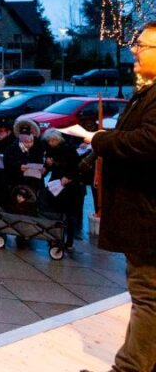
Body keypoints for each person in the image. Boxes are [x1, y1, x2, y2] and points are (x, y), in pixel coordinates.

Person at [86, 21, 156, 372]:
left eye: (141, 45)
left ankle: (129, 368)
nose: (134, 50)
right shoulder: (149, 92)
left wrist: (99, 140)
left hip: (148, 217)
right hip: (143, 213)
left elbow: (149, 142)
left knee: (148, 296)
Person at [41, 129, 82, 251]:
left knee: (69, 214)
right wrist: (47, 165)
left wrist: (68, 177)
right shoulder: (50, 150)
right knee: (55, 212)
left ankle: (69, 240)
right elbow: (49, 166)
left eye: (53, 140)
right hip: (56, 183)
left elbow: (75, 167)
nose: (51, 143)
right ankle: (55, 237)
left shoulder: (69, 149)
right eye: (49, 141)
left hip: (69, 184)